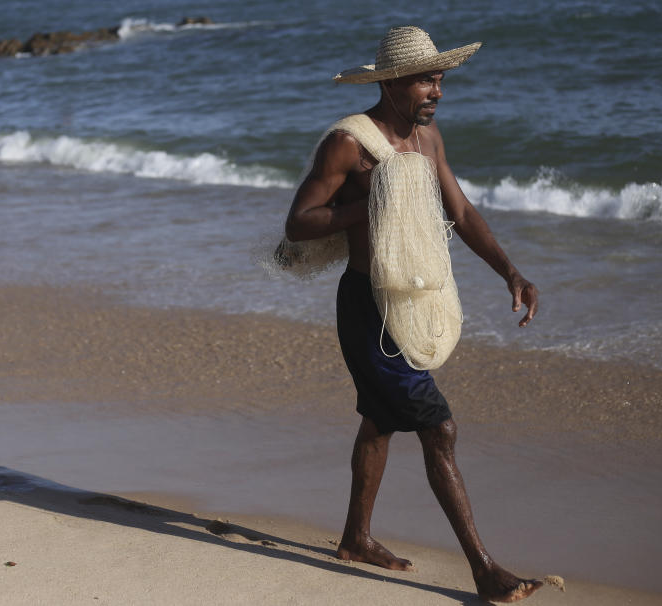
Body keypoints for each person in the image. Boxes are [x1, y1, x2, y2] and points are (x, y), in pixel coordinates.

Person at [283, 26, 542, 603]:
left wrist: (511, 272)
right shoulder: (348, 143)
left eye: (441, 79)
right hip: (367, 307)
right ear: (393, 82)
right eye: (427, 80)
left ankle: (355, 537)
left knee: (379, 421)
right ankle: (483, 570)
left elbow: (462, 210)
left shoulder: (428, 141)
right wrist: (364, 205)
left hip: (410, 299)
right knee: (439, 427)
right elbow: (299, 222)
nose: (438, 91)